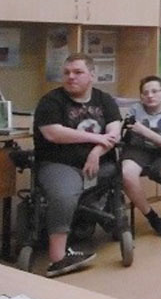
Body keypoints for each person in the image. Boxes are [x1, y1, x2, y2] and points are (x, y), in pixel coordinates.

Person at [33, 53, 121, 277]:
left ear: (92, 75)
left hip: (100, 163)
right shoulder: (51, 101)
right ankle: (58, 259)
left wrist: (96, 152)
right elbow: (53, 133)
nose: (71, 77)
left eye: (78, 72)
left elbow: (114, 133)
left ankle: (104, 223)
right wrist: (96, 138)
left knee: (117, 175)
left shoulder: (104, 100)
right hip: (59, 163)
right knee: (63, 195)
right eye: (67, 72)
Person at [120, 75, 161, 237]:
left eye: (155, 91)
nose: (150, 96)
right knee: (126, 173)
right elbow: (127, 137)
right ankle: (153, 218)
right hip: (141, 149)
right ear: (141, 96)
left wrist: (145, 132)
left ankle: (160, 171)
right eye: (145, 93)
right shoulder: (135, 110)